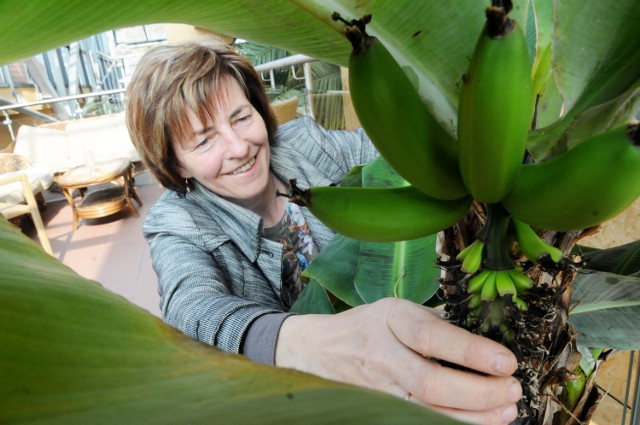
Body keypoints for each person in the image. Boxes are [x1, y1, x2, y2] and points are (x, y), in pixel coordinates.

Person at [125, 36, 521, 425]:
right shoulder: (177, 223)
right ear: (177, 166)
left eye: (242, 118)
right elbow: (192, 308)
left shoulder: (302, 144)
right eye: (205, 140)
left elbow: (393, 156)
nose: (239, 147)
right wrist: (315, 343)